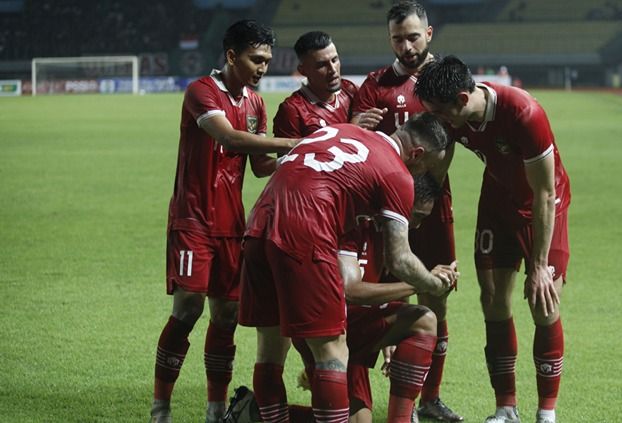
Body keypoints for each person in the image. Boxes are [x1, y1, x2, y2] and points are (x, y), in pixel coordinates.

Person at [237, 114, 458, 423]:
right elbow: (400, 258)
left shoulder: (343, 130)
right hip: (305, 228)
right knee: (333, 351)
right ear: (417, 155)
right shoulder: (396, 173)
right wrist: (432, 284)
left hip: (259, 224)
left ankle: (254, 415)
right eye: (426, 168)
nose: (421, 175)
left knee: (271, 351)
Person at [151, 20, 297, 423]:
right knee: (188, 309)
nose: (263, 67)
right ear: (232, 56)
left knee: (227, 316)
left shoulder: (256, 103)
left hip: (233, 225)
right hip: (193, 219)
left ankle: (216, 411)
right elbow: (230, 139)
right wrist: (291, 143)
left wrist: (305, 152)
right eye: (256, 59)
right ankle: (160, 407)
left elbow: (261, 165)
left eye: (267, 60)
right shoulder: (201, 91)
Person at [415, 56, 571, 423]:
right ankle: (506, 408)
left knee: (542, 302)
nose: (438, 121)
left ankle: (546, 412)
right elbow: (432, 153)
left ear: (463, 99)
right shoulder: (453, 117)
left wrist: (537, 266)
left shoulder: (524, 114)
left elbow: (545, 192)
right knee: (492, 300)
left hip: (542, 206)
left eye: (440, 113)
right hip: (497, 201)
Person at [351, 2, 462, 420]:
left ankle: (429, 399)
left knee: (436, 295)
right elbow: (354, 141)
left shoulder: (446, 81)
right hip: (381, 213)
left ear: (429, 34)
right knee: (373, 297)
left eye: (413, 36)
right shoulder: (374, 86)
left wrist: (428, 196)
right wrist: (358, 120)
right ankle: (397, 400)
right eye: (398, 38)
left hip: (431, 209)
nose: (406, 45)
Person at [273, 31, 358, 138]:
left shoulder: (351, 90)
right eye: (322, 65)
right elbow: (288, 155)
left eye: (334, 60)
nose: (333, 70)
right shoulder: (293, 110)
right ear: (303, 71)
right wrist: (353, 129)